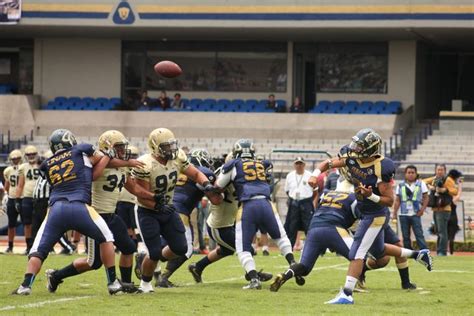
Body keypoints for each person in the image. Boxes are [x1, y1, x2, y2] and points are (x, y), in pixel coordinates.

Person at [308, 128, 432, 304]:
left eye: (359, 146)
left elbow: (389, 201)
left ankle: (346, 294)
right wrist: (314, 175)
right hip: (364, 212)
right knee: (380, 251)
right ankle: (419, 255)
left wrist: (370, 196)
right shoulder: (353, 160)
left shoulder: (382, 167)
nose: (355, 149)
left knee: (357, 252)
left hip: (375, 215)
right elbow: (328, 163)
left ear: (370, 149)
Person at [11, 129, 133, 295]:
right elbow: (100, 163)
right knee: (106, 239)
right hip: (79, 206)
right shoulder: (81, 150)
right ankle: (112, 283)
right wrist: (113, 157)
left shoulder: (46, 164)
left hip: (55, 208)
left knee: (38, 250)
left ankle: (25, 286)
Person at [44, 130, 155, 294]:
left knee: (128, 247)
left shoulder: (122, 166)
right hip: (94, 215)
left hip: (111, 214)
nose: (123, 150)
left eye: (123, 146)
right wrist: (119, 161)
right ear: (107, 147)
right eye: (119, 147)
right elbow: (93, 176)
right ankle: (56, 275)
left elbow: (134, 189)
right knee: (94, 262)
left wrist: (153, 197)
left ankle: (126, 283)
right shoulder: (95, 161)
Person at [270, 182, 432, 293]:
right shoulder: (353, 198)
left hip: (314, 229)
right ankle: (355, 284)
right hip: (334, 229)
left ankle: (285, 275)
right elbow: (363, 219)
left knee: (304, 267)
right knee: (360, 255)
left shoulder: (328, 193)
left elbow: (318, 207)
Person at [131, 128, 217, 293]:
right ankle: (145, 284)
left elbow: (196, 173)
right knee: (155, 252)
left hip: (168, 208)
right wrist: (156, 204)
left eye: (172, 145)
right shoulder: (145, 164)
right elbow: (141, 195)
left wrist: (206, 184)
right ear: (155, 147)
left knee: (181, 248)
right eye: (166, 146)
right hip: (147, 210)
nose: (171, 149)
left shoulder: (178, 157)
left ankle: (148, 260)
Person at [214, 139, 297, 290]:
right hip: (267, 204)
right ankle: (293, 263)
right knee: (281, 237)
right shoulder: (261, 164)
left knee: (243, 247)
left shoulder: (234, 165)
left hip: (248, 206)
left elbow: (218, 186)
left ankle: (253, 279)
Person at [188, 153, 272, 284]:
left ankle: (197, 267)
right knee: (245, 248)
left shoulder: (235, 176)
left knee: (226, 250)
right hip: (219, 225)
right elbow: (210, 191)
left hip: (227, 222)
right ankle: (253, 275)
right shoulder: (224, 176)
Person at [155, 148, 221, 288]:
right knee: (186, 249)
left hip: (161, 208)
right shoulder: (203, 171)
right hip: (179, 211)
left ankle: (151, 261)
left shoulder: (176, 168)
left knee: (167, 244)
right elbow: (215, 200)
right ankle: (163, 274)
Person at [424, 164, 459, 256]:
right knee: (439, 231)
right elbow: (422, 181)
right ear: (435, 170)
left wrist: (445, 190)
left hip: (444, 209)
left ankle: (442, 252)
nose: (440, 171)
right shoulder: (435, 179)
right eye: (438, 170)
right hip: (436, 209)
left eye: (442, 170)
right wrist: (430, 187)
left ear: (445, 171)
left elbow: (455, 191)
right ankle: (439, 251)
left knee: (442, 231)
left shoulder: (448, 179)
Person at [393, 165, 429, 250]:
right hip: (403, 213)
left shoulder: (421, 184)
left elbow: (426, 197)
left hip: (416, 212)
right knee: (405, 235)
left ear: (416, 174)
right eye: (409, 172)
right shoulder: (400, 185)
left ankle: (424, 251)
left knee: (419, 234)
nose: (411, 174)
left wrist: (422, 209)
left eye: (413, 173)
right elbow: (397, 200)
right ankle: (408, 252)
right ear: (405, 174)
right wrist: (394, 213)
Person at [284, 156, 315, 249]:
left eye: (301, 163)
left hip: (306, 202)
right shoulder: (290, 175)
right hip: (294, 202)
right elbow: (287, 190)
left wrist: (309, 201)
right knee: (291, 226)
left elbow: (315, 190)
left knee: (309, 226)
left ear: (304, 165)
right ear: (294, 165)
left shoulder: (310, 175)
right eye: (297, 163)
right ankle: (289, 248)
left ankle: (311, 248)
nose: (299, 165)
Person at [16, 145, 41, 254]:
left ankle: (41, 246)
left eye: (33, 154)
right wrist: (17, 199)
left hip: (40, 197)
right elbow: (20, 185)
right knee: (27, 223)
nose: (31, 156)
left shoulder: (42, 165)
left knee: (40, 223)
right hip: (27, 197)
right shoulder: (23, 167)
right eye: (29, 154)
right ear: (25, 156)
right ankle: (28, 246)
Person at [115, 145, 140, 244]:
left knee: (136, 226)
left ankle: (139, 245)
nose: (132, 158)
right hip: (122, 200)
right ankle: (131, 244)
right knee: (126, 226)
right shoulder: (121, 167)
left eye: (134, 156)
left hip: (134, 201)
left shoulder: (139, 168)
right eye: (130, 156)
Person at [3, 149, 22, 253]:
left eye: (17, 158)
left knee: (28, 223)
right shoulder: (8, 170)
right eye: (13, 159)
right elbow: (7, 186)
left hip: (23, 198)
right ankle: (10, 246)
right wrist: (7, 195)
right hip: (12, 198)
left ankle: (30, 245)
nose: (15, 160)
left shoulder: (24, 168)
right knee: (11, 224)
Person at [447, 169, 463, 255]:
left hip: (444, 215)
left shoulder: (445, 196)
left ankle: (442, 251)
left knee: (443, 235)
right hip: (453, 216)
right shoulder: (453, 197)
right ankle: (451, 252)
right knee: (451, 236)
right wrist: (460, 184)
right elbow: (459, 194)